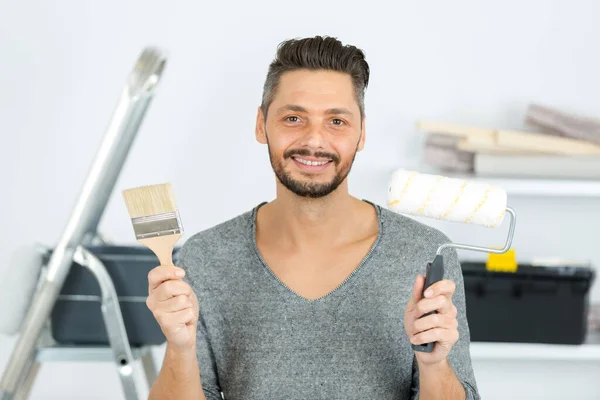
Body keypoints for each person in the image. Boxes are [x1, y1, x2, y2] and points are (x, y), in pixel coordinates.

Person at [146, 35, 479, 400]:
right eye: (293, 118)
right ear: (261, 125)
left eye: (336, 121)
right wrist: (179, 348)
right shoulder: (206, 257)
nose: (314, 140)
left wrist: (434, 365)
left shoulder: (425, 254)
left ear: (362, 132)